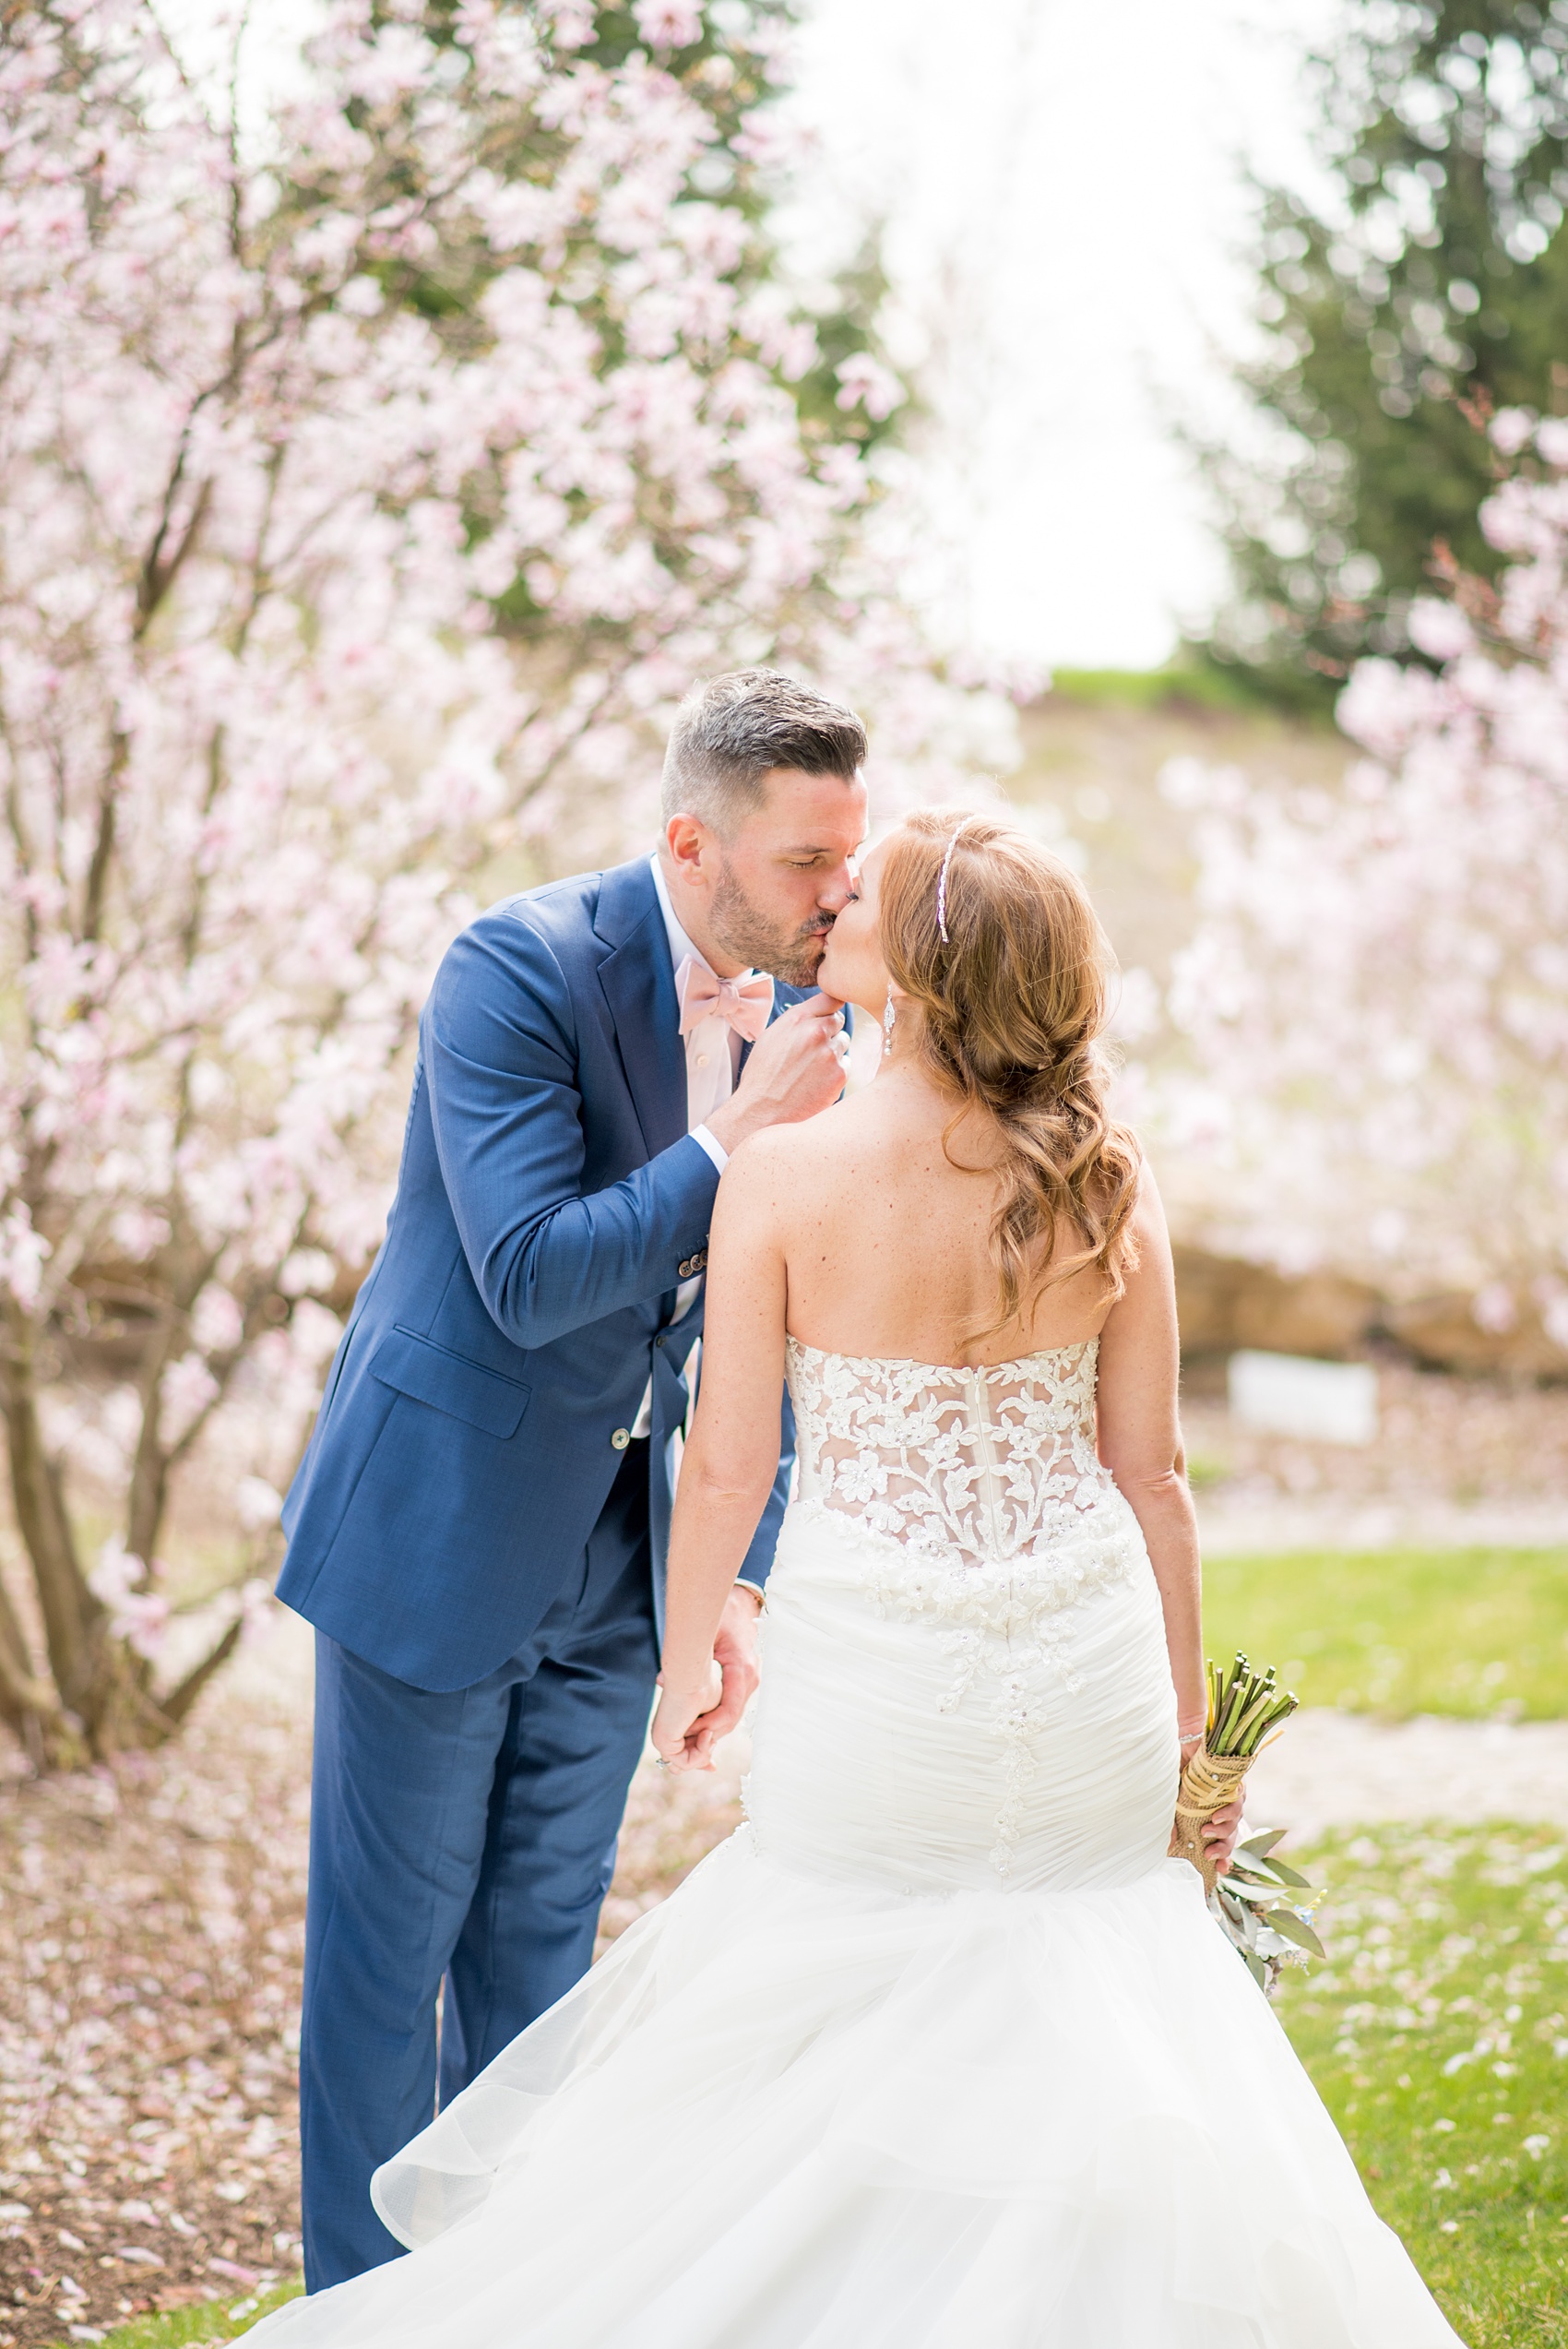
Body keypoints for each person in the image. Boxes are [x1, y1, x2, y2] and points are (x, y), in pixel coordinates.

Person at [257, 809, 1460, 2345]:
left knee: (834, 1993)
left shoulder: (788, 1178)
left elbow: (728, 1470)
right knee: (1091, 1992)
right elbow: (1153, 1481)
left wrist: (688, 1667)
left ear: (932, 969)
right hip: (1084, 1683)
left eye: (867, 895)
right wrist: (1187, 1742)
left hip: (888, 1693)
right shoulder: (1112, 1176)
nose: (836, 906)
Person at [274, 669, 866, 2288]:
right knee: (388, 1972)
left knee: (540, 1968)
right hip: (439, 1530)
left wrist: (735, 1566)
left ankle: (502, 2301)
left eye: (851, 857)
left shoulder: (829, 1020)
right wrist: (737, 1137)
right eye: (810, 862)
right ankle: (359, 2313)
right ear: (694, 842)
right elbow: (531, 1271)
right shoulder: (512, 971)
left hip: (629, 1557)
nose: (843, 895)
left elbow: (787, 1313)